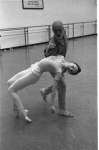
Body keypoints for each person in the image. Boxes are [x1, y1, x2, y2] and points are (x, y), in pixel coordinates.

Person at [7, 55, 81, 123]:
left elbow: (54, 88)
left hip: (34, 74)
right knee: (10, 82)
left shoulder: (59, 70)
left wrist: (52, 104)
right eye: (73, 67)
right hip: (33, 67)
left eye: (71, 71)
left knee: (11, 90)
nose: (71, 68)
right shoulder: (60, 57)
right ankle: (16, 106)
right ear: (72, 62)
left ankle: (22, 112)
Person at [40, 20, 69, 116]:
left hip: (60, 62)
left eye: (60, 30)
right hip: (53, 64)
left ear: (63, 29)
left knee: (61, 83)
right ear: (52, 31)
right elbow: (48, 57)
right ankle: (62, 110)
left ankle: (44, 91)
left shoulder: (63, 34)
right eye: (55, 31)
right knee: (63, 85)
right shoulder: (52, 44)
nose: (58, 33)